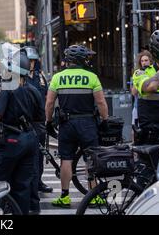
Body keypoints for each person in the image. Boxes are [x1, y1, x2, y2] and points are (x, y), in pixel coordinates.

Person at [0, 49, 43, 215]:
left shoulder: (5, 86)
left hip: (9, 140)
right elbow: (40, 117)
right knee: (23, 186)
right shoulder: (34, 89)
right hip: (29, 140)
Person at [45, 45, 109, 208]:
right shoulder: (92, 77)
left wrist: (48, 121)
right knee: (90, 159)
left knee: (66, 159)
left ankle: (65, 196)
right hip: (87, 124)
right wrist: (105, 119)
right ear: (80, 60)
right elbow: (101, 102)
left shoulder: (58, 77)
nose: (88, 60)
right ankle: (93, 196)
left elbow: (50, 102)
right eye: (86, 58)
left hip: (66, 124)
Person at [22, 46, 52, 213]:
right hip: (26, 122)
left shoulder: (40, 76)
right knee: (29, 159)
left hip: (38, 122)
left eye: (33, 61)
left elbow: (47, 95)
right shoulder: (18, 76)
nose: (31, 64)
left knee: (40, 156)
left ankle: (38, 182)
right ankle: (30, 188)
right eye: (29, 61)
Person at [131, 51, 153, 136]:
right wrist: (140, 79)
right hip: (138, 107)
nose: (144, 62)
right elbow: (133, 92)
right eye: (142, 61)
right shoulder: (137, 72)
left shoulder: (154, 72)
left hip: (151, 106)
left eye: (146, 60)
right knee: (135, 129)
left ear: (150, 61)